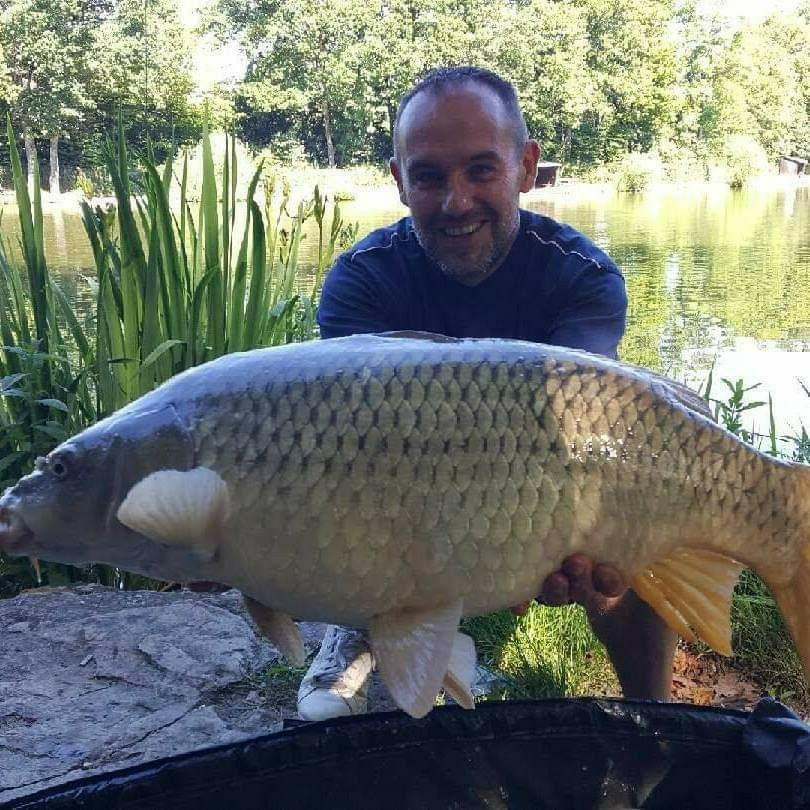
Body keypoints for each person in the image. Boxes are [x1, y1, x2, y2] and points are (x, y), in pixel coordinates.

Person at [297, 66, 677, 721]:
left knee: (631, 535)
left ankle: (655, 718)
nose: (457, 201)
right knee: (352, 495)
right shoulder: (361, 281)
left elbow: (583, 424)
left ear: (525, 168)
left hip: (541, 477)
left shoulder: (582, 276)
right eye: (429, 177)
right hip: (401, 484)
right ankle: (357, 628)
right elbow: (355, 454)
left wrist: (536, 548)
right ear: (399, 181)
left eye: (480, 170)